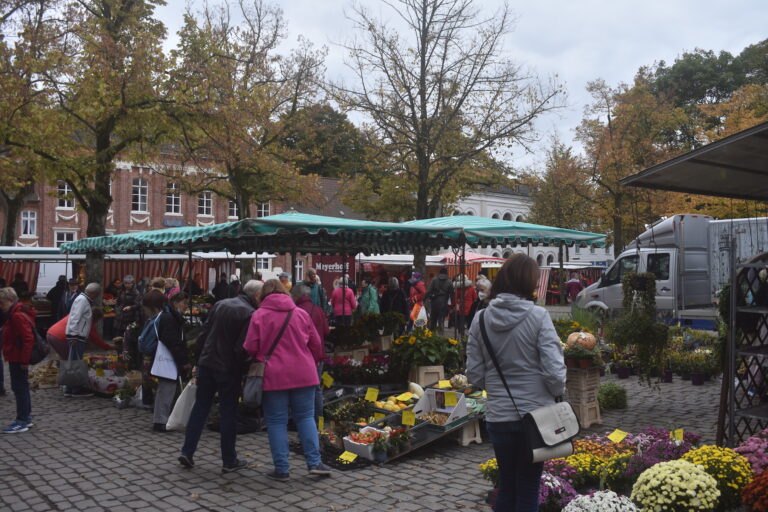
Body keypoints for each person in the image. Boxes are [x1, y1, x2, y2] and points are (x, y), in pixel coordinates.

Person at [465, 255, 566, 512]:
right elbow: (555, 372)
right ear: (527, 282)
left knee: (507, 486)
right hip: (536, 417)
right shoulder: (539, 316)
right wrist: (557, 394)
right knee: (529, 486)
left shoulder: (481, 318)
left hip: (499, 416)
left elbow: (474, 376)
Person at [243, 279, 330, 481]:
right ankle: (314, 462)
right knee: (306, 417)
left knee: (276, 422)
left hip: (274, 375)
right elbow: (317, 345)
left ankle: (282, 469)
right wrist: (309, 361)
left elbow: (250, 347)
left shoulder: (259, 315)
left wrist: (262, 356)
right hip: (304, 373)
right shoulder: (300, 314)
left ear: (263, 296)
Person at [178, 280, 263, 473]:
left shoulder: (221, 304)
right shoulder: (250, 313)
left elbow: (203, 335)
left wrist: (198, 362)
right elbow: (242, 348)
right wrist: (243, 371)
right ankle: (229, 459)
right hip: (228, 369)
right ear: (256, 296)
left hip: (208, 363)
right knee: (228, 413)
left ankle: (187, 451)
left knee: (200, 408)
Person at [152, 292, 190, 432]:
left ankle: (161, 418)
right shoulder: (170, 317)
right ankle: (160, 421)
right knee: (166, 388)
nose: (186, 306)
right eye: (184, 303)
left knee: (167, 388)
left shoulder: (171, 315)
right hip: (168, 357)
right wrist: (183, 360)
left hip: (169, 356)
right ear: (175, 303)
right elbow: (172, 342)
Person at [291, 283, 329, 421]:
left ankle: (299, 419)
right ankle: (318, 420)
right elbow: (326, 331)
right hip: (317, 355)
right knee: (316, 388)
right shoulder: (318, 310)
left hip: (299, 356)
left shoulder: (294, 311)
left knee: (297, 389)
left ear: (297, 296)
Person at [0, 287, 35, 433]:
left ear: (9, 301)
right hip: (16, 355)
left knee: (19, 388)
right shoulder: (15, 313)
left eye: (2, 303)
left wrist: (24, 361)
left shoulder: (16, 315)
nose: (1, 307)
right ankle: (25, 418)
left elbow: (28, 339)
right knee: (21, 388)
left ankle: (22, 420)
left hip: (18, 357)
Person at [64, 282, 101, 397]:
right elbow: (75, 317)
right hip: (77, 335)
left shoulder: (82, 299)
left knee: (74, 361)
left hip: (78, 335)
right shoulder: (82, 300)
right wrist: (74, 334)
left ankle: (70, 388)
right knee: (76, 362)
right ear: (94, 293)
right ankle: (75, 389)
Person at [47, 307, 115, 358]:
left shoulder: (78, 314)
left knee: (63, 356)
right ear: (96, 318)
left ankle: (60, 370)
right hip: (60, 338)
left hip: (51, 333)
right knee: (69, 359)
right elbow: (95, 339)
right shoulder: (88, 322)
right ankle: (68, 375)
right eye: (98, 320)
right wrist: (109, 347)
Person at [426, 267, 453, 333]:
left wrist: (428, 298)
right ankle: (441, 336)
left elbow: (429, 291)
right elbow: (452, 293)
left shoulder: (434, 280)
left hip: (434, 302)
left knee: (433, 320)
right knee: (441, 320)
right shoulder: (449, 281)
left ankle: (432, 336)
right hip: (444, 303)